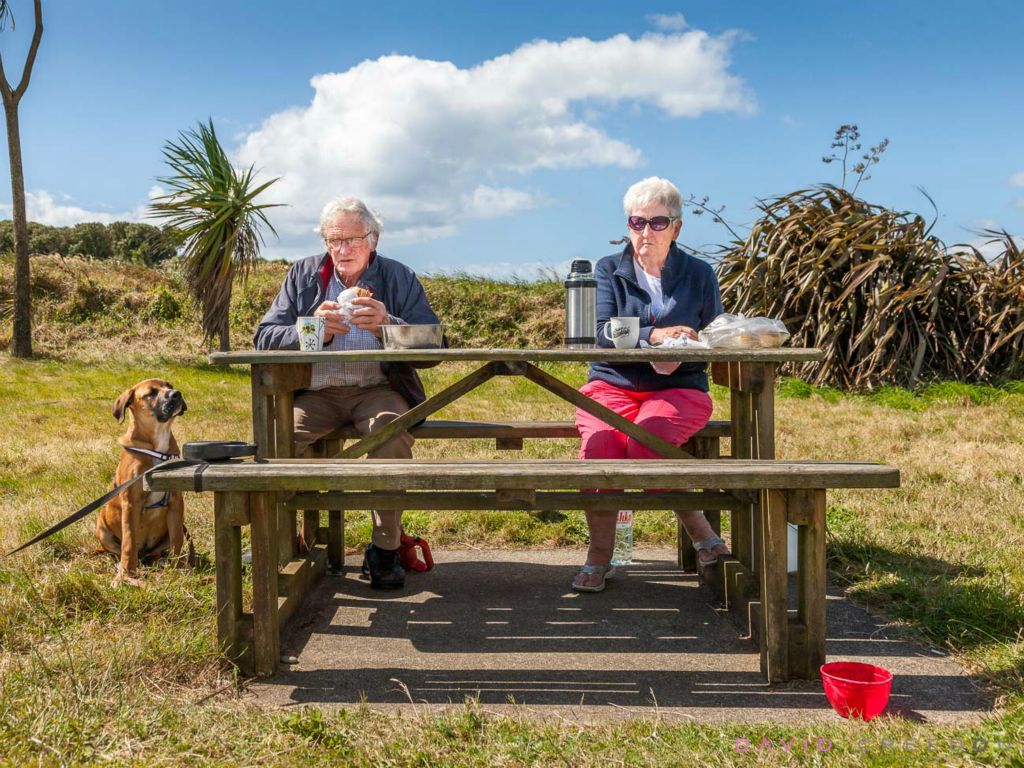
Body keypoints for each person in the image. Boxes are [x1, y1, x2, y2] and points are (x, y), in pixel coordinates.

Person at [254, 196, 440, 590]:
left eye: (353, 240)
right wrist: (310, 331)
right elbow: (264, 336)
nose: (342, 250)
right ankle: (287, 542)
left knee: (391, 429)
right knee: (279, 437)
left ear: (373, 239)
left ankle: (385, 549)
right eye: (334, 240)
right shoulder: (303, 274)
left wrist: (387, 327)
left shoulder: (398, 275)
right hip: (316, 393)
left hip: (376, 389)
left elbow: (434, 344)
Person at [573, 177, 730, 592]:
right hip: (612, 382)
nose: (646, 232)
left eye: (657, 223)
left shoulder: (699, 273)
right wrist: (653, 335)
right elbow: (599, 333)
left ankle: (699, 532)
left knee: (649, 438)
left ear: (676, 227)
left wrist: (696, 340)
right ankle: (599, 556)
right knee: (602, 447)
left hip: (680, 387)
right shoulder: (607, 269)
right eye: (637, 222)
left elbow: (717, 332)